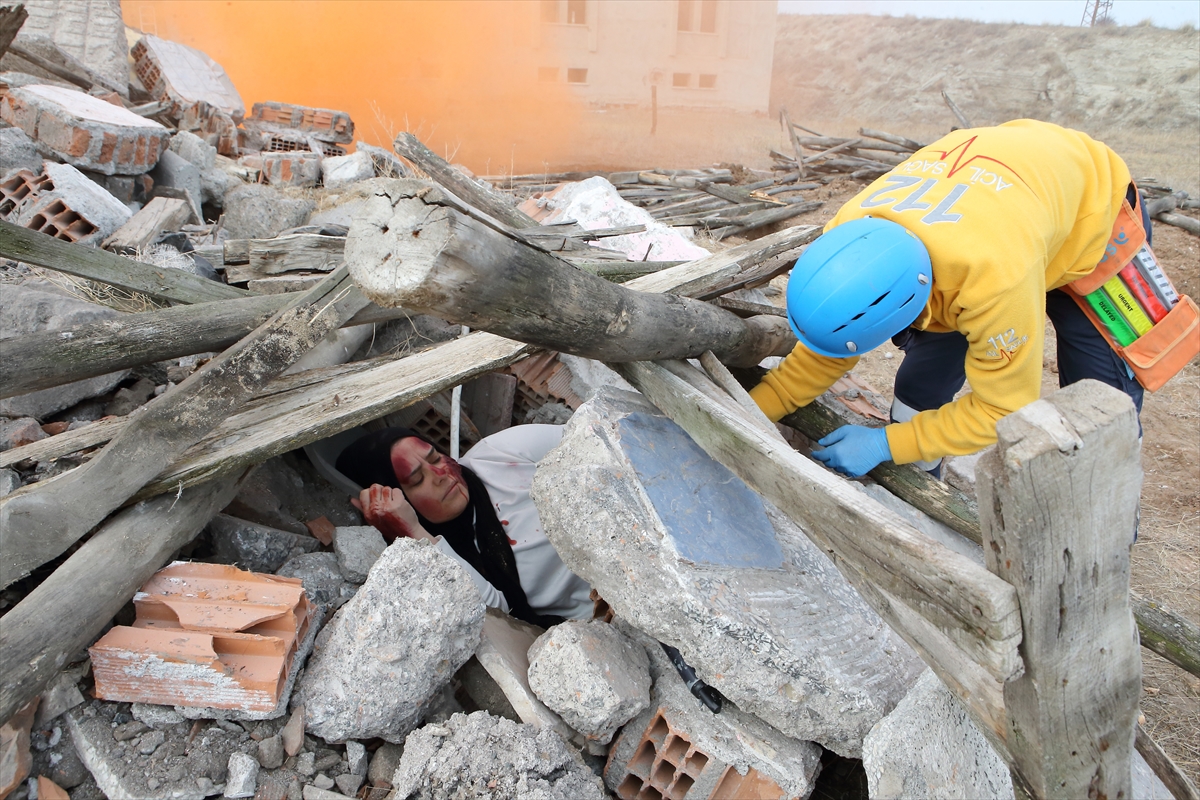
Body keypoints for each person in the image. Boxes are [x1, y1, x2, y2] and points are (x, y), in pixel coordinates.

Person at [750, 118, 1156, 478]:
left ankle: (1101, 523)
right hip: (1003, 207)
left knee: (1097, 407)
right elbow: (830, 343)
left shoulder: (991, 279)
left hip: (1096, 213)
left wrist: (885, 445)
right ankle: (923, 487)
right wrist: (751, 411)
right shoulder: (848, 235)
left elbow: (1003, 408)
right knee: (920, 386)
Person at [335, 424, 592, 627]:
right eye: (416, 479)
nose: (440, 475)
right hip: (603, 614)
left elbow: (593, 435)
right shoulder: (440, 556)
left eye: (435, 458)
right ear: (398, 502)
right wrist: (414, 535)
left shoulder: (500, 455)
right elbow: (496, 616)